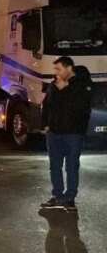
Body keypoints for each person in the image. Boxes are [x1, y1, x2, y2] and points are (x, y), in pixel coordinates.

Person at [40, 56, 92, 211]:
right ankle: (57, 195)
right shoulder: (54, 85)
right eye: (55, 69)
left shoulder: (82, 85)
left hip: (73, 133)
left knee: (71, 166)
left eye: (58, 69)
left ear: (69, 69)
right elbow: (47, 104)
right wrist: (45, 124)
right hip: (54, 133)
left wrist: (65, 89)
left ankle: (70, 198)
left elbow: (79, 107)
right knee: (54, 166)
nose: (55, 72)